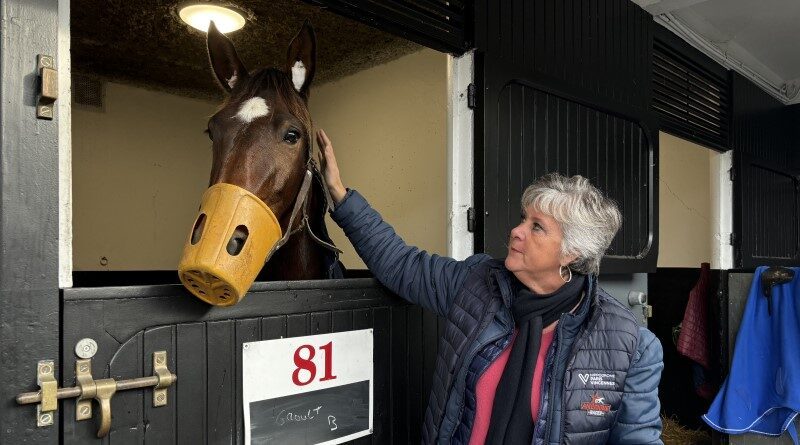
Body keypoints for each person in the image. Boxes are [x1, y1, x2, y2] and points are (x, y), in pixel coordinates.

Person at [316, 129, 664, 445]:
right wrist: (341, 197)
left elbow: (638, 440)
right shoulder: (477, 283)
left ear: (571, 253)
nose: (517, 230)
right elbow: (400, 264)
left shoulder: (631, 346)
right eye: (523, 218)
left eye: (537, 227)